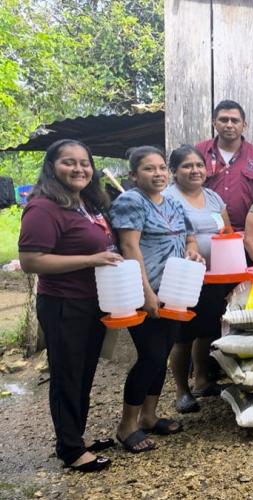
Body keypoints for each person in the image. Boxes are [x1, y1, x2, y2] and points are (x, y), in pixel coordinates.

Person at [18, 140, 121, 472]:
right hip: (64, 303)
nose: (79, 169)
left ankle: (77, 437)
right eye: (69, 162)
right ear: (52, 167)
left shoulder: (87, 203)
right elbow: (32, 260)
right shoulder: (43, 207)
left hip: (92, 302)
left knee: (84, 372)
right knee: (67, 375)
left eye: (84, 163)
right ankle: (70, 449)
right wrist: (91, 259)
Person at [110, 146, 204, 453]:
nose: (158, 173)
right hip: (144, 293)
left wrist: (192, 250)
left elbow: (188, 237)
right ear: (133, 175)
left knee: (161, 355)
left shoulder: (173, 203)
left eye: (162, 168)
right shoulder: (130, 201)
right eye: (149, 169)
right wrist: (146, 292)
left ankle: (149, 417)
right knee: (149, 357)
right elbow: (129, 247)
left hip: (175, 292)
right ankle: (127, 426)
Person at [163, 145, 231, 413]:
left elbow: (227, 231)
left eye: (199, 165)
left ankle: (202, 379)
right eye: (187, 166)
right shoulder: (168, 198)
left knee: (208, 330)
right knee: (183, 335)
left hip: (215, 276)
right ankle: (182, 390)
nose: (195, 170)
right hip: (183, 276)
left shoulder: (213, 197)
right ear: (175, 172)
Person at [196, 100, 253, 232]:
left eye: (235, 121)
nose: (229, 125)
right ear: (214, 123)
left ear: (244, 125)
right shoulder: (200, 152)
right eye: (224, 120)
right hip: (206, 231)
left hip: (246, 233)